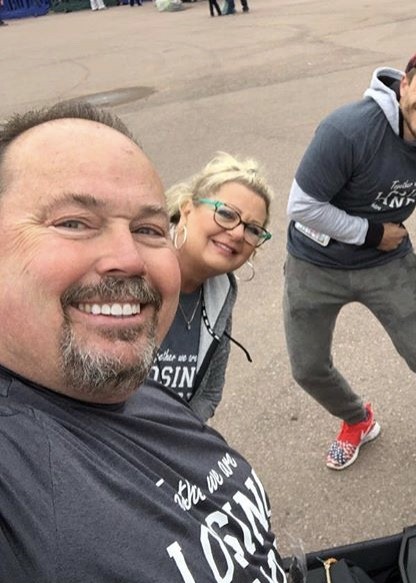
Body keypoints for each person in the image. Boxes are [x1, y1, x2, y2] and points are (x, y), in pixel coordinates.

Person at [0, 102, 287, 582]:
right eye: (73, 222)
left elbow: (209, 384)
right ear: (189, 211)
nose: (128, 258)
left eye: (146, 229)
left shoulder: (130, 382)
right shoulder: (20, 475)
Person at [284, 43, 416, 471]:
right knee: (308, 367)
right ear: (403, 85)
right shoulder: (349, 130)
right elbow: (300, 206)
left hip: (387, 265)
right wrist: (372, 233)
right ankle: (357, 419)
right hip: (315, 264)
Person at [148, 152, 273, 421]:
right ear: (187, 210)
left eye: (253, 229)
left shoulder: (220, 292)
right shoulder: (135, 269)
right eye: (226, 214)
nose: (239, 233)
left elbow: (209, 393)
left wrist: (182, 436)